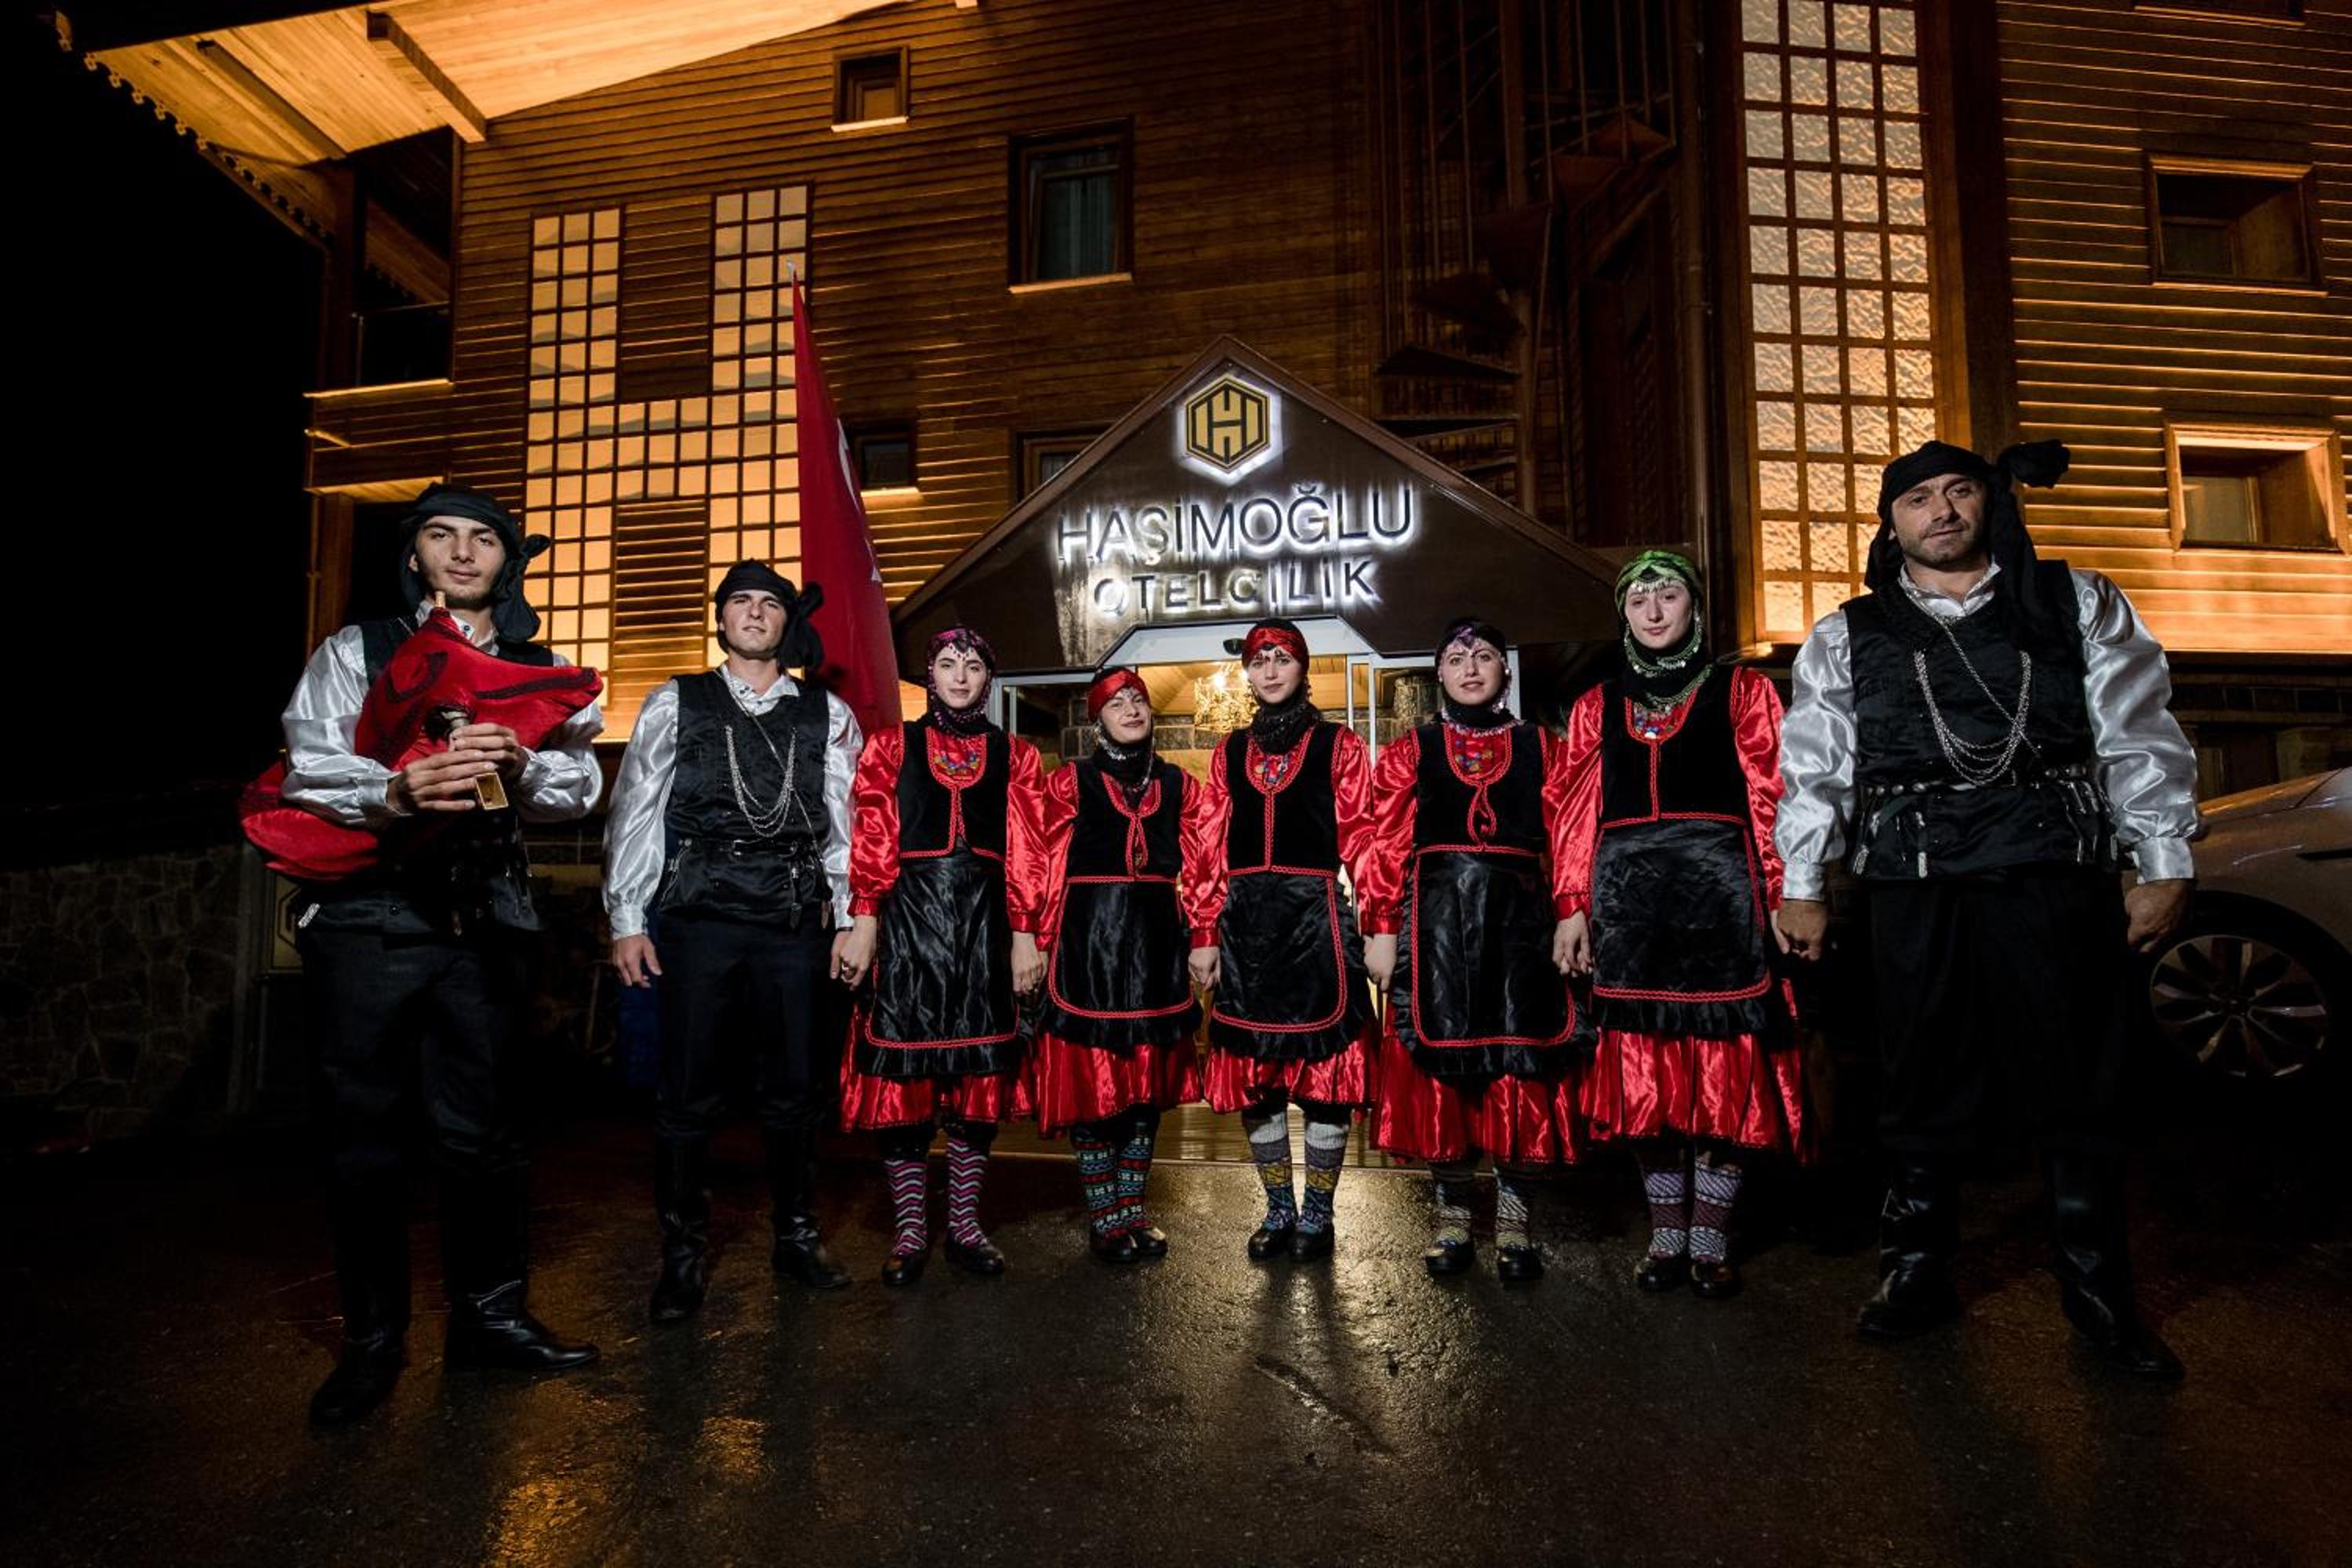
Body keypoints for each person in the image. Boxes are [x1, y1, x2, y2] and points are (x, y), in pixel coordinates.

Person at [1775, 439, 2198, 1380]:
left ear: (1989, 502)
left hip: (2053, 869)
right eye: (1918, 498)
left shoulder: (2073, 599)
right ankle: (1916, 1271)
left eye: (1959, 490)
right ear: (1892, 523)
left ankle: (2099, 1293)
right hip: (1915, 877)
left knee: (2078, 1079)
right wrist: (1801, 881)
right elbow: (1815, 762)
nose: (1941, 511)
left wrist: (2163, 858)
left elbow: (2137, 731)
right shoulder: (1849, 632)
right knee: (1919, 1074)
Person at [280, 484, 604, 1426]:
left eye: (483, 539)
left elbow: (579, 784)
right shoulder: (359, 649)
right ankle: (374, 1341)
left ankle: (489, 1321)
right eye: (441, 534)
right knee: (364, 1138)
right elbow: (307, 763)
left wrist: (523, 763)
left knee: (487, 1132)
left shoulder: (539, 668)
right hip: (371, 916)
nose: (463, 552)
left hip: (485, 918)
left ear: (506, 560)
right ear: (416, 554)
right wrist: (396, 789)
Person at [604, 562, 862, 1320]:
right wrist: (627, 917)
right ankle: (682, 1257)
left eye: (769, 603)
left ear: (787, 622)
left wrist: (851, 916)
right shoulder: (674, 700)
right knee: (687, 1089)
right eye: (740, 602)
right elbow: (637, 810)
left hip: (793, 919)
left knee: (795, 1088)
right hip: (699, 917)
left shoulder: (826, 713)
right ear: (721, 619)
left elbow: (845, 823)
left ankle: (797, 1237)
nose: (754, 613)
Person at [1554, 554, 1808, 1300]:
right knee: (1648, 1083)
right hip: (1628, 911)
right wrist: (1572, 906)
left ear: (1695, 606)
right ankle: (1667, 1232)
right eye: (1639, 599)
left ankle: (1710, 1236)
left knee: (1722, 1079)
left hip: (1721, 907)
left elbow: (1773, 795)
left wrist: (1782, 893)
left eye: (1669, 595)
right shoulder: (1596, 705)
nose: (1655, 611)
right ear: (1624, 615)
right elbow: (1573, 812)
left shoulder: (1743, 691)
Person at [1363, 618, 1586, 1282]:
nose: (1470, 668)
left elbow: (1570, 835)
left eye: (1484, 656)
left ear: (1504, 670)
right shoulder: (1412, 750)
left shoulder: (1541, 746)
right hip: (1436, 926)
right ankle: (1454, 1221)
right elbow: (1384, 841)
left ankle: (1514, 1225)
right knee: (1445, 1071)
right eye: (1457, 659)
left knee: (1518, 1066)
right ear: (1440, 673)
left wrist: (1572, 912)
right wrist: (1381, 928)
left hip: (1520, 927)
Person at [830, 627, 1046, 1284]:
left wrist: (1025, 934)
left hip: (984, 930)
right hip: (908, 929)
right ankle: (910, 1230)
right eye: (948, 664)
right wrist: (864, 920)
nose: (960, 675)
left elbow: (1028, 847)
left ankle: (966, 1228)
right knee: (905, 1088)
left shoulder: (1016, 755)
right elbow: (871, 831)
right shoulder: (892, 746)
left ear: (988, 679)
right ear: (930, 674)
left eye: (973, 665)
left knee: (976, 1088)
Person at [1192, 618, 1378, 1263]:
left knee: (1325, 1079)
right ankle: (1278, 1209)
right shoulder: (1228, 752)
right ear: (1248, 673)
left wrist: (1379, 922)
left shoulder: (1338, 745)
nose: (1269, 670)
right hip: (1245, 928)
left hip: (1316, 921)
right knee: (1258, 1079)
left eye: (1282, 658)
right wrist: (1204, 931)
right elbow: (1208, 848)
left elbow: (1365, 837)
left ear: (1302, 667)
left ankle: (1318, 1216)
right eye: (1258, 660)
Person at [1028, 668, 1217, 1262]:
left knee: (1144, 1088)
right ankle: (1104, 1213)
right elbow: (1040, 864)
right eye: (1117, 703)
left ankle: (1133, 1206)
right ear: (1098, 719)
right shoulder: (1069, 782)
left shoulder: (1178, 784)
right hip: (1089, 945)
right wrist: (1033, 939)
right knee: (1094, 1084)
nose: (1132, 710)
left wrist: (1204, 934)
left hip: (1156, 945)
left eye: (1139, 700)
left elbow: (1206, 864)